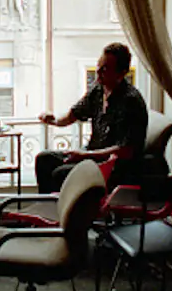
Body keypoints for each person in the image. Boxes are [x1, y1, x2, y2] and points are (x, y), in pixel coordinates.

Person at [35, 43, 148, 194]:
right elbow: (73, 115)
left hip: (113, 166)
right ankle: (49, 205)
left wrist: (84, 155)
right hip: (92, 156)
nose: (98, 71)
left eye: (105, 68)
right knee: (44, 159)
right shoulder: (98, 91)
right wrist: (53, 120)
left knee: (60, 174)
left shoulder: (131, 101)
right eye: (99, 65)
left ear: (121, 73)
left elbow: (126, 150)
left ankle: (69, 208)